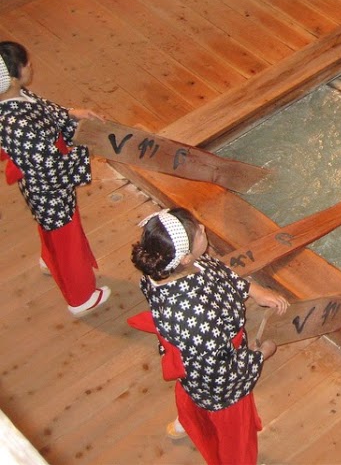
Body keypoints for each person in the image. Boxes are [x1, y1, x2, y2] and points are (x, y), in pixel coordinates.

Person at [130, 207, 289, 464]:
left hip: (195, 364)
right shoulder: (197, 317)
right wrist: (260, 355)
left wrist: (251, 289)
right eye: (198, 233)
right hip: (218, 383)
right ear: (184, 257)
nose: (203, 229)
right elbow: (221, 375)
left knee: (192, 393)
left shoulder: (162, 271)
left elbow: (218, 272)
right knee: (233, 436)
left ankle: (190, 421)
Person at [0, 41, 110, 316]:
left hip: (41, 188)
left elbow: (48, 110)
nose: (30, 66)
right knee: (66, 237)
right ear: (13, 78)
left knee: (49, 229)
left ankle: (49, 261)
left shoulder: (14, 99)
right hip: (48, 188)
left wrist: (73, 114)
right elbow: (49, 166)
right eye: (26, 64)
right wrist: (84, 149)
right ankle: (81, 296)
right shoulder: (17, 124)